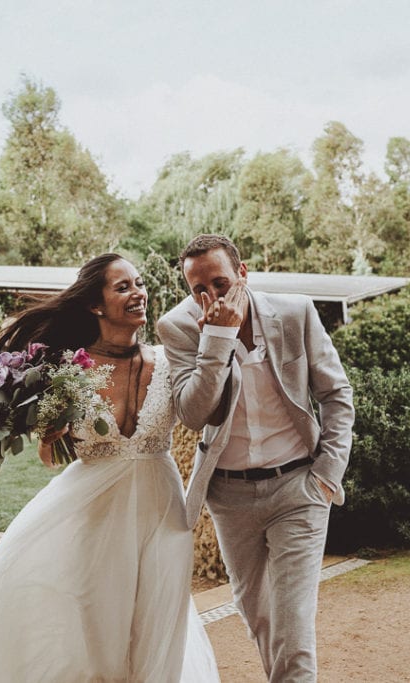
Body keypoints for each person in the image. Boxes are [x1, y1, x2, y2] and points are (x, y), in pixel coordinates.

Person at [0, 253, 219, 682]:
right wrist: (50, 437)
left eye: (139, 284)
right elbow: (51, 457)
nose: (138, 293)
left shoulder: (169, 360)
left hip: (162, 507)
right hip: (94, 511)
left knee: (161, 621)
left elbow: (206, 406)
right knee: (97, 629)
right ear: (95, 303)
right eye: (122, 287)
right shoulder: (67, 368)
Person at [157, 234, 354, 682]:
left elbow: (336, 395)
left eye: (220, 284)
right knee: (258, 615)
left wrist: (327, 474)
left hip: (299, 488)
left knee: (293, 623)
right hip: (229, 496)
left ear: (243, 274)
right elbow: (193, 413)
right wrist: (218, 337)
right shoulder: (179, 327)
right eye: (198, 290)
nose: (211, 297)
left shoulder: (294, 312)